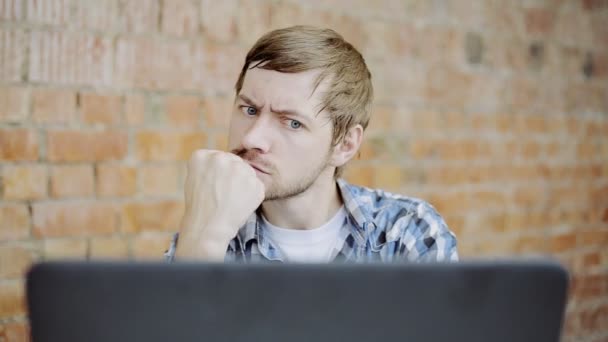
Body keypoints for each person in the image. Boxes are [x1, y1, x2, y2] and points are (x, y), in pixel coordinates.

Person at [165, 25, 458, 263]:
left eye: (292, 123)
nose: (252, 138)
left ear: (344, 144)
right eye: (250, 110)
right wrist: (202, 239)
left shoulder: (404, 232)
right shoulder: (212, 226)